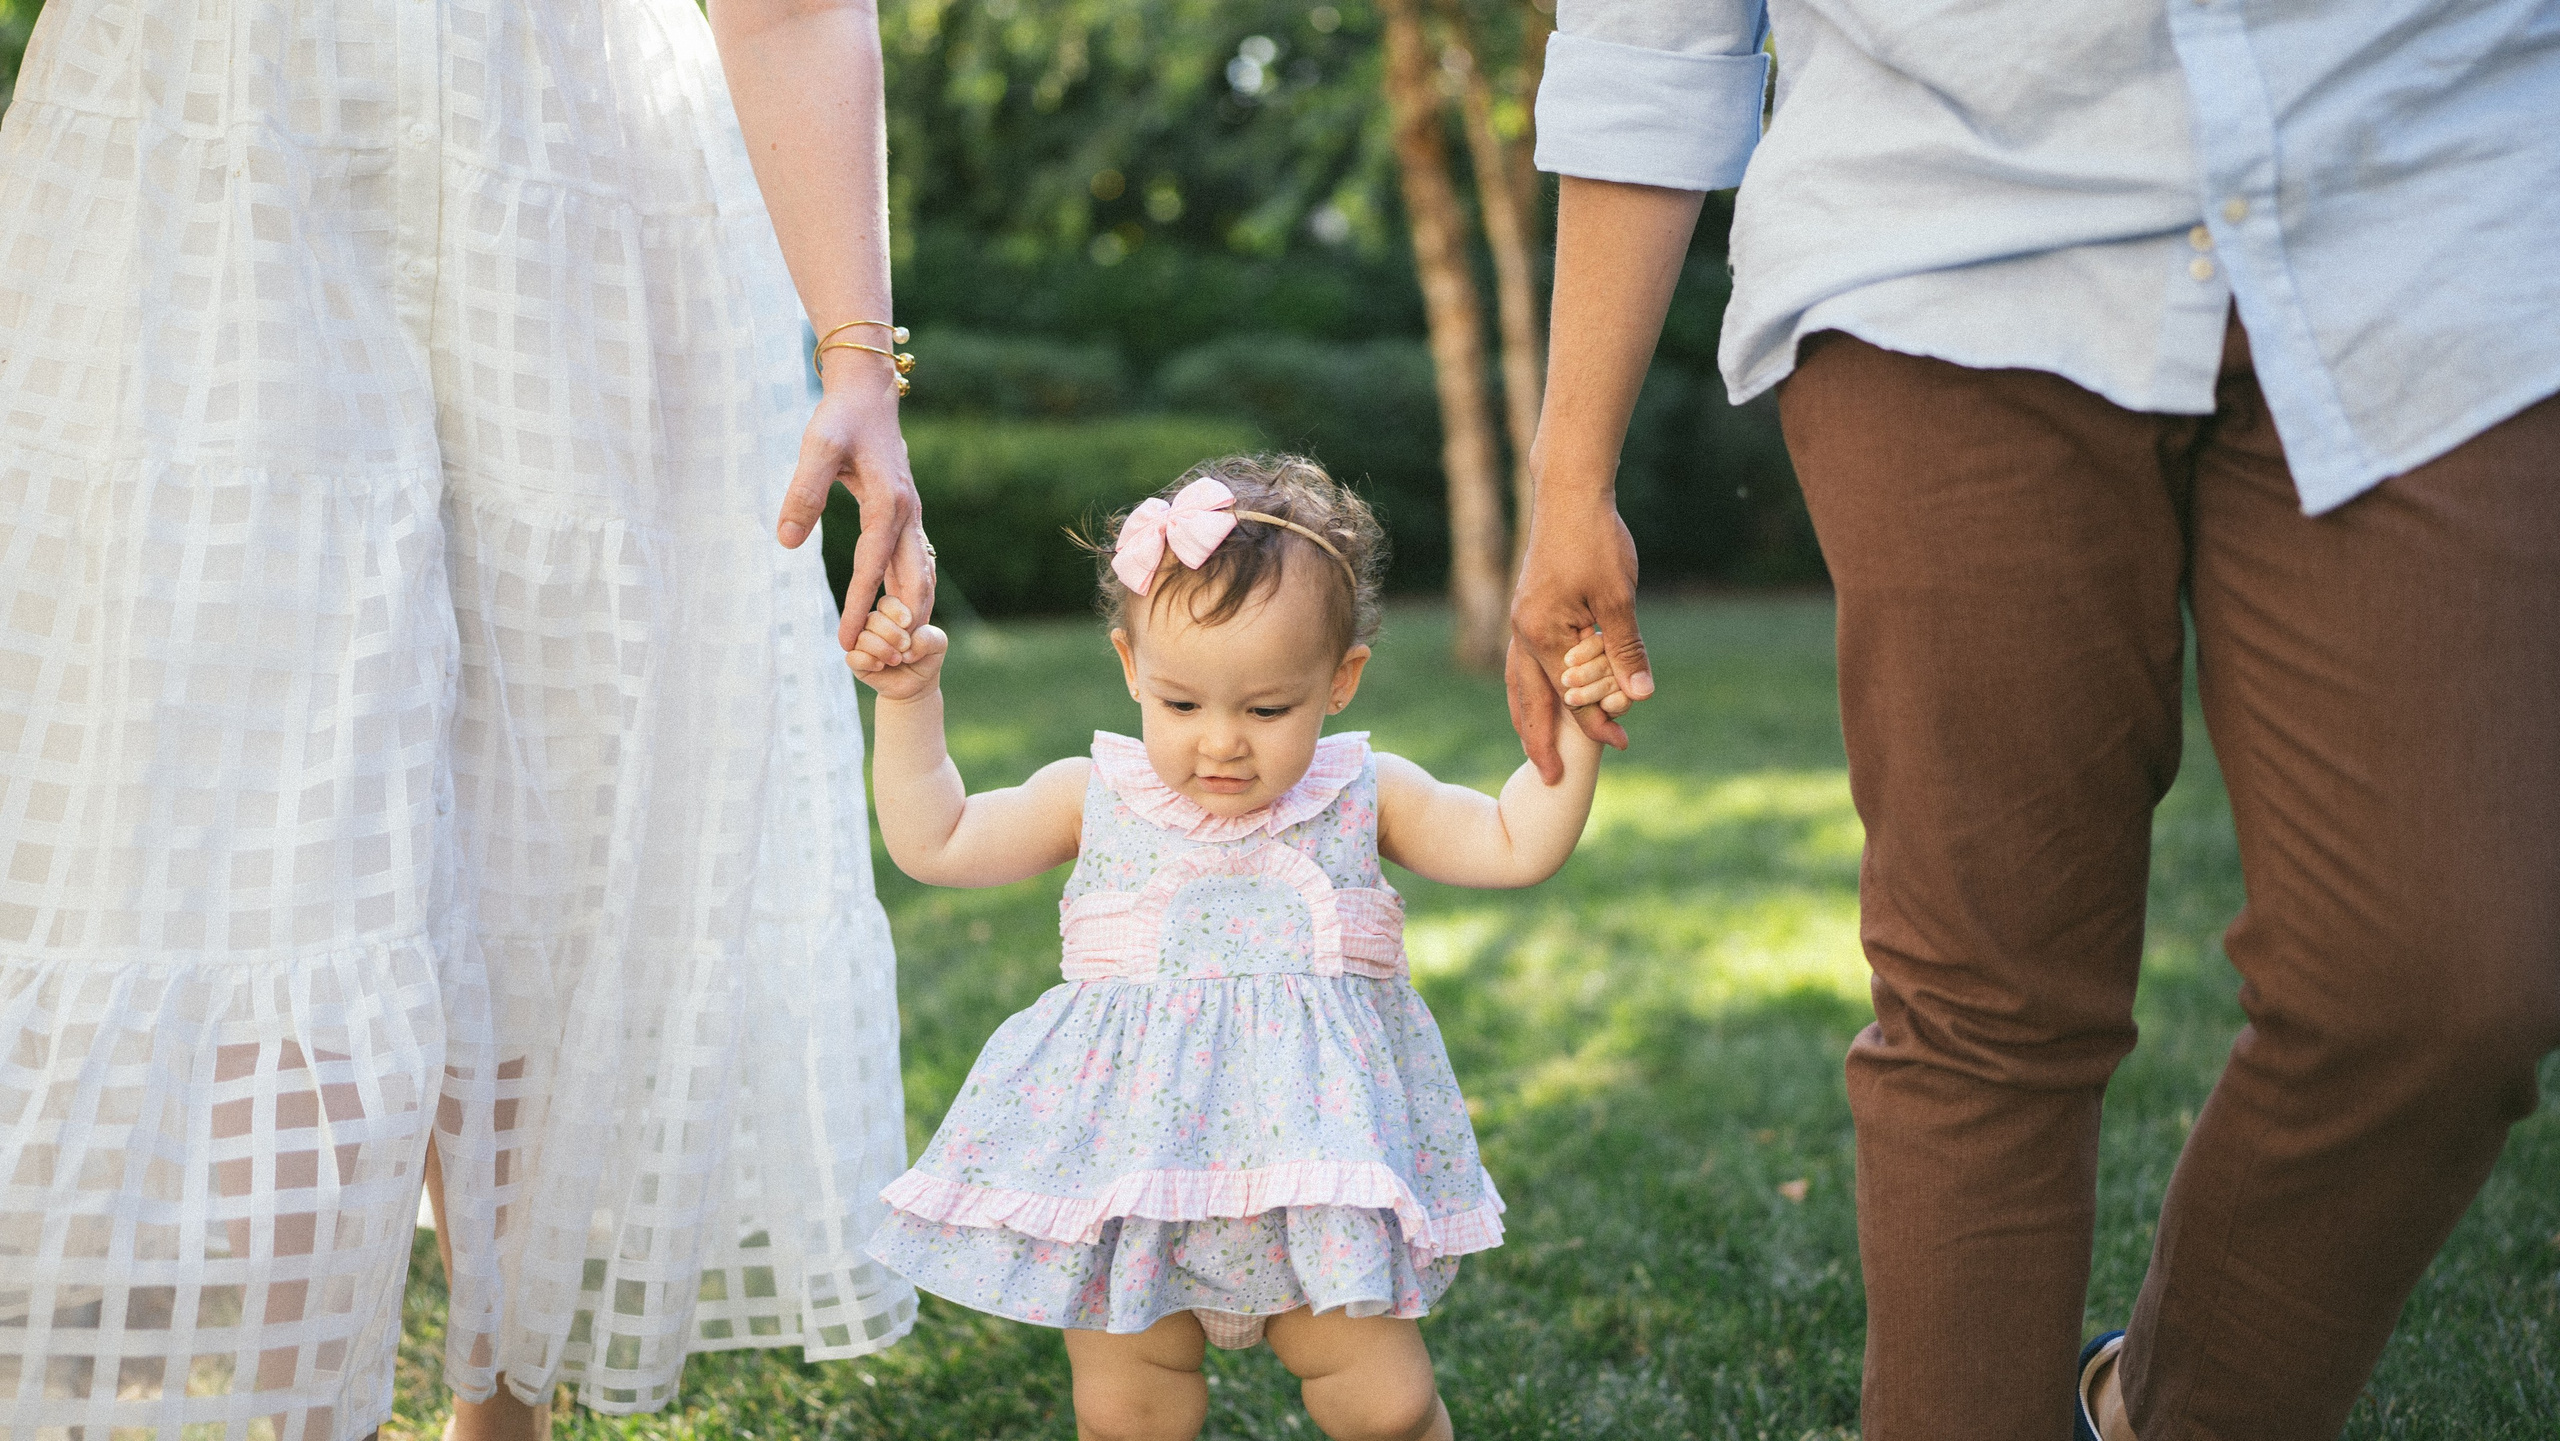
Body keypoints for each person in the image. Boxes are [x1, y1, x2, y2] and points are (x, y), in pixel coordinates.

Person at [1510, 3, 2560, 1440]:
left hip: (2438, 217)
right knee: (1985, 998)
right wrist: (1574, 472)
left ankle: (2157, 1411)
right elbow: (1656, 32)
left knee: (2448, 978)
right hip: (1946, 246)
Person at [0, 0, 931, 1436]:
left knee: (549, 795)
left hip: (566, 154)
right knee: (282, 813)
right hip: (204, 145)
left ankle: (503, 1398)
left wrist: (860, 357)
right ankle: (306, 1404)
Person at [844, 457, 1606, 1441]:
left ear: (1340, 681)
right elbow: (935, 840)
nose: (1221, 744)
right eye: (1181, 704)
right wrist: (908, 701)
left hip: (1314, 1187)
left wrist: (1577, 730)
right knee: (1129, 1414)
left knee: (1388, 1406)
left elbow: (1515, 842)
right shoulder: (1095, 793)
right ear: (1130, 670)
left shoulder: (1364, 792)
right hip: (1131, 1186)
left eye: (1265, 709)